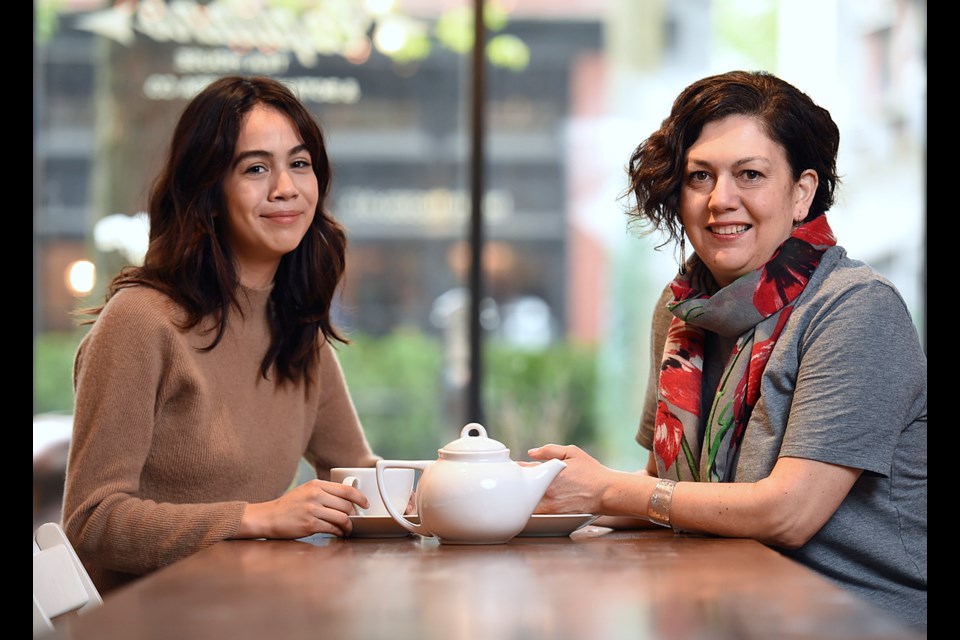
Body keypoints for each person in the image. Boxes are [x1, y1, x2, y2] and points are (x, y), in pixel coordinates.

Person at [527, 70, 927, 631]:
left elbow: (789, 513)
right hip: (727, 603)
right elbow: (669, 492)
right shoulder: (682, 308)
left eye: (750, 174)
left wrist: (609, 489)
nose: (721, 201)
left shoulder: (855, 308)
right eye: (699, 176)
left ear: (802, 193)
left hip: (859, 616)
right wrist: (541, 501)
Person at [62, 75, 381, 595]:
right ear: (208, 192)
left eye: (299, 164)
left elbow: (358, 474)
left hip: (248, 606)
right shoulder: (141, 320)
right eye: (256, 168)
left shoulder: (297, 330)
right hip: (147, 621)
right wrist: (255, 518)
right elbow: (91, 520)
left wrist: (465, 490)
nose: (285, 187)